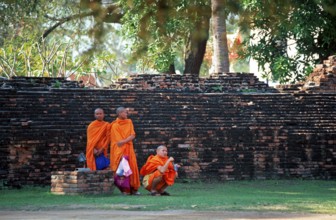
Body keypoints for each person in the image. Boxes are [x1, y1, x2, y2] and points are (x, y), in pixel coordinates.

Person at [110, 107, 140, 195]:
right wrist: (126, 140)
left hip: (129, 149)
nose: (126, 114)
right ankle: (124, 190)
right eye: (124, 113)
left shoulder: (129, 122)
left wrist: (124, 141)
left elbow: (133, 135)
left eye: (126, 113)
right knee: (122, 169)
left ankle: (134, 189)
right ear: (119, 114)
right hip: (120, 151)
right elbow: (118, 142)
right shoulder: (115, 125)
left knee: (132, 167)